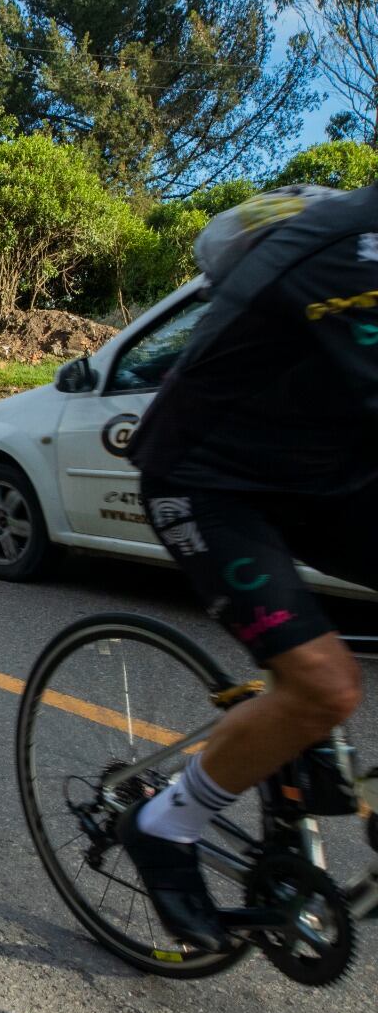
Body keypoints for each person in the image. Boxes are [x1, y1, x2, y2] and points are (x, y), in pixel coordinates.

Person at [121, 183, 378, 952]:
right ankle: (165, 826)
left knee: (314, 691)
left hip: (323, 477)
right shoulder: (350, 248)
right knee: (323, 684)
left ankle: (299, 746)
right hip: (207, 482)